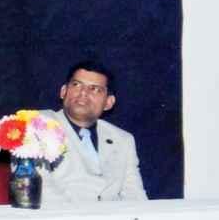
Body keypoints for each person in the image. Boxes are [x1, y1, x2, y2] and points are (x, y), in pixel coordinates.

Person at [39, 60, 147, 204]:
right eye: (76, 85)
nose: (83, 93)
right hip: (61, 215)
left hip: (114, 217)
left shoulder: (123, 139)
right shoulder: (38, 124)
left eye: (95, 89)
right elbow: (41, 189)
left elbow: (135, 195)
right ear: (63, 91)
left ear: (108, 102)